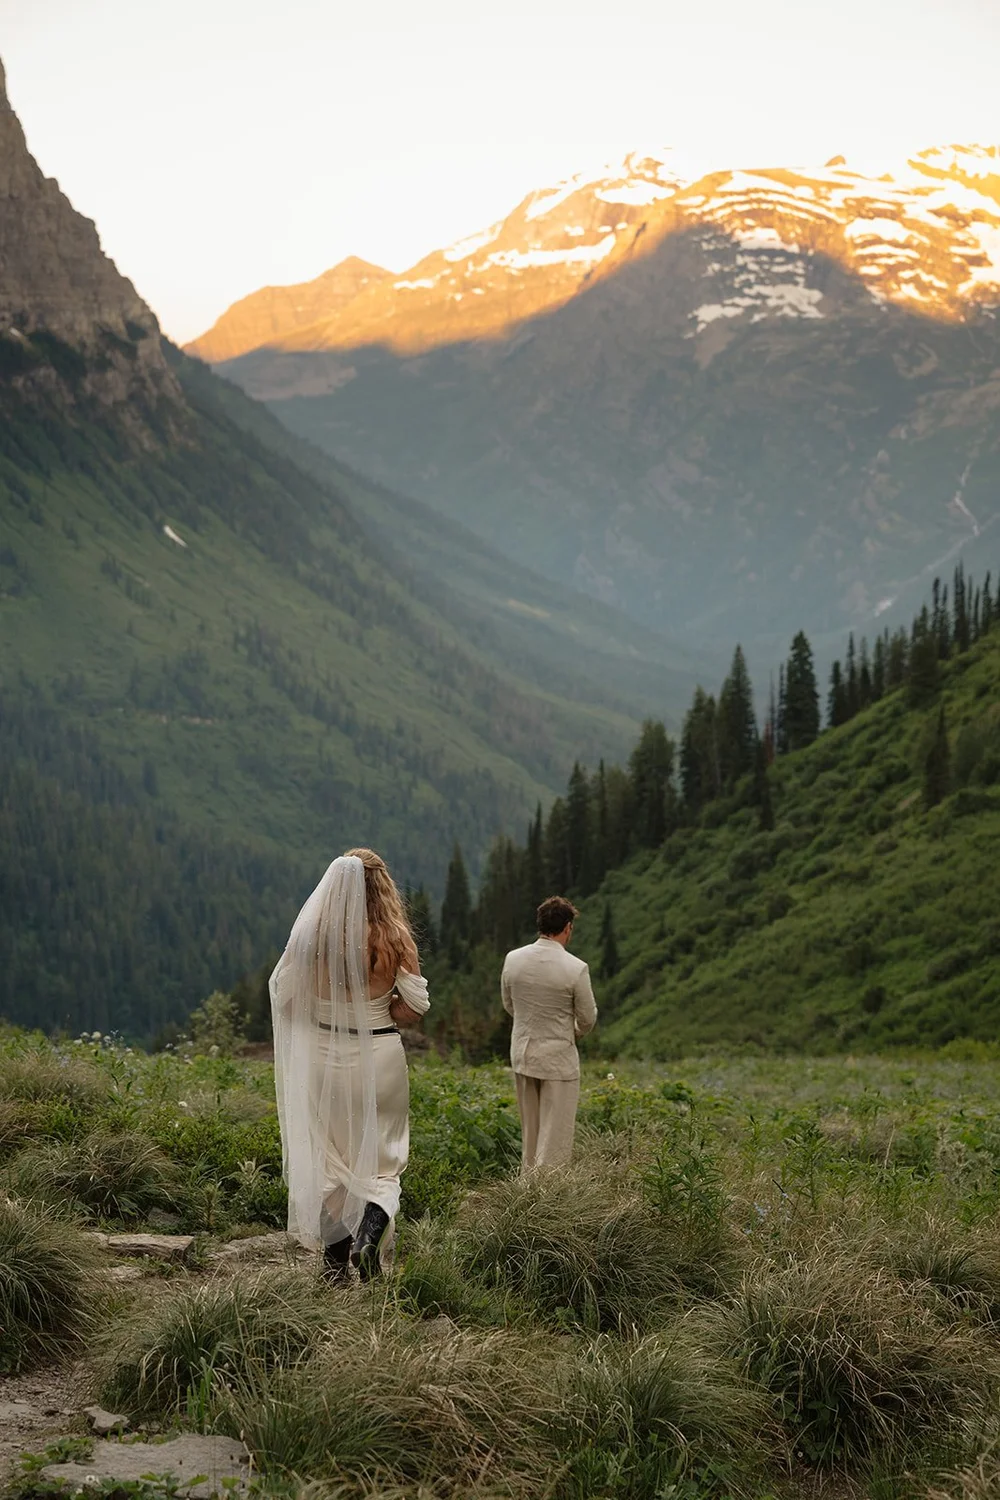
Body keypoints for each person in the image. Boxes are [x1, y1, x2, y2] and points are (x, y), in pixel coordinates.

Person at [269, 847, 429, 1282]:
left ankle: (335, 1262)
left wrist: (323, 1009)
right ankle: (367, 1240)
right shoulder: (394, 937)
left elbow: (285, 998)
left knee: (325, 1158)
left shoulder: (311, 937)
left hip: (321, 1059)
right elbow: (415, 1008)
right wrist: (383, 1007)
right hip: (378, 1059)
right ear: (382, 885)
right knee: (382, 1161)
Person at [501, 896, 597, 1171]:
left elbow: (510, 1005)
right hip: (558, 1059)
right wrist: (573, 1032)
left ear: (540, 924)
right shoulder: (576, 969)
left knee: (530, 1131)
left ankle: (526, 1186)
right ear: (567, 927)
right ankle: (548, 1197)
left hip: (522, 1054)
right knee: (555, 1137)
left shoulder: (513, 959)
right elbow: (587, 1018)